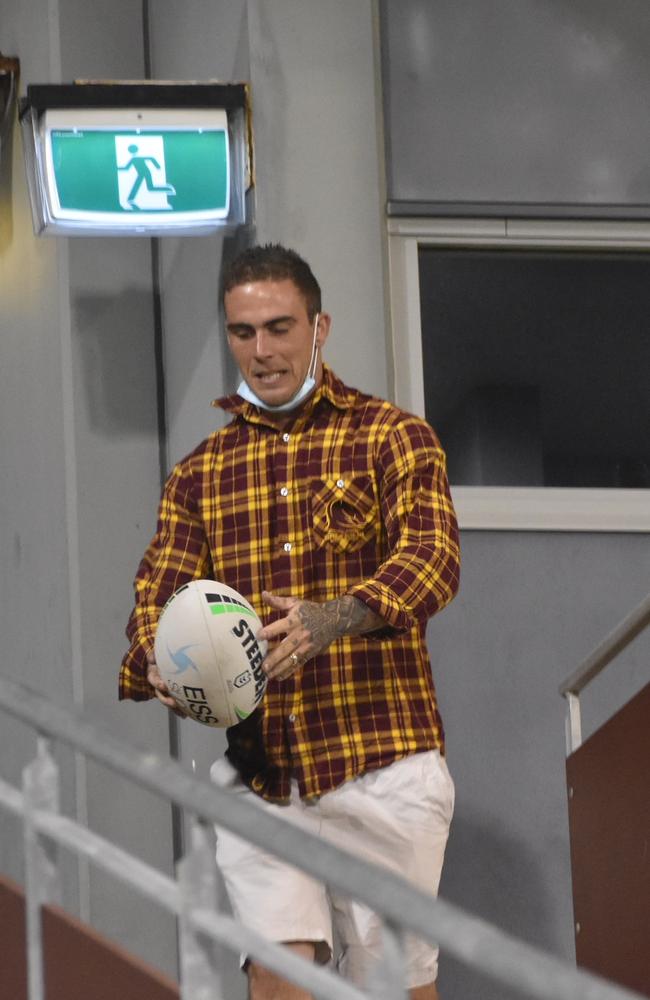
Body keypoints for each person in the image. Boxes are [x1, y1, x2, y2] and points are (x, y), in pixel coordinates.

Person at [119, 244, 461, 1000]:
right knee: (277, 973)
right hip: (263, 770)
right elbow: (160, 591)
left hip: (384, 760)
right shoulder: (200, 474)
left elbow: (434, 559)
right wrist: (158, 661)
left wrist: (333, 619)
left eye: (280, 326)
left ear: (319, 327)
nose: (263, 350)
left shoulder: (392, 436)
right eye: (244, 332)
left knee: (394, 989)